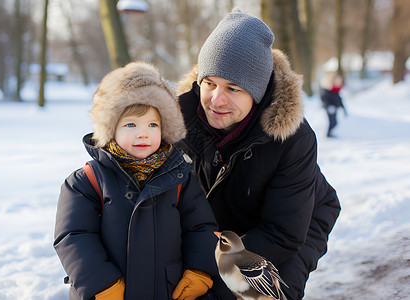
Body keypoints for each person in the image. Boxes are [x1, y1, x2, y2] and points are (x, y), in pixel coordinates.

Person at [176, 10, 341, 300]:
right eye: (210, 83)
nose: (217, 99)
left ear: (257, 93)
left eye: (233, 88)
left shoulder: (292, 138)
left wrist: (212, 279)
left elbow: (283, 231)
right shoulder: (175, 122)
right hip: (221, 234)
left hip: (291, 230)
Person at [54, 62, 218, 300]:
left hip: (166, 290)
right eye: (131, 124)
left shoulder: (180, 178)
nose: (143, 133)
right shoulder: (86, 182)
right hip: (107, 293)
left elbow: (201, 227)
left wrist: (199, 270)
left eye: (153, 125)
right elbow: (74, 236)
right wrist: (101, 284)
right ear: (111, 129)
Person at [320, 73, 347, 137]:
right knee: (333, 122)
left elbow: (339, 99)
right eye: (337, 80)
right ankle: (328, 134)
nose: (339, 81)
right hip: (330, 108)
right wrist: (328, 106)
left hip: (334, 108)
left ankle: (330, 133)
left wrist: (344, 109)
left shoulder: (336, 89)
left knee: (335, 122)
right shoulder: (328, 88)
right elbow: (324, 98)